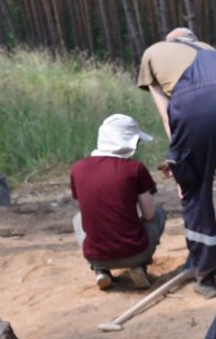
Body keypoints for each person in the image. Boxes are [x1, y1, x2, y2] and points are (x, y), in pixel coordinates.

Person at [138, 27, 216, 298]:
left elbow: (166, 114)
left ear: (169, 40)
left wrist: (178, 158)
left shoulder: (153, 53)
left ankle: (206, 277)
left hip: (198, 107)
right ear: (193, 39)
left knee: (195, 190)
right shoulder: (212, 51)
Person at [70, 114, 166, 290]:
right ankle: (140, 265)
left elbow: (88, 210)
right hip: (136, 252)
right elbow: (149, 214)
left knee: (78, 218)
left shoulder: (77, 169)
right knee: (159, 213)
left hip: (95, 254)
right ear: (129, 142)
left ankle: (100, 270)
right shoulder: (135, 169)